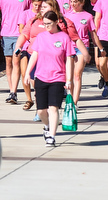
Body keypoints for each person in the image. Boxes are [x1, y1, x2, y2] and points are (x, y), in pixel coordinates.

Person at [23, 10, 75, 147]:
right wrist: (28, 73)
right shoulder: (40, 37)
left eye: (49, 24)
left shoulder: (64, 38)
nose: (46, 26)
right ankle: (46, 126)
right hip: (41, 76)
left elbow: (69, 59)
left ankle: (52, 136)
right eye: (44, 24)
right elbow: (34, 55)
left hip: (58, 77)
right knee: (41, 110)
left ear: (56, 22)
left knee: (53, 108)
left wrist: (69, 80)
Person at [64, 0, 103, 106]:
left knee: (77, 74)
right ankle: (69, 99)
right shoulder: (66, 16)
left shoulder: (88, 16)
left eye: (75, 2)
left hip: (82, 47)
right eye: (71, 1)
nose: (72, 4)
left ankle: (74, 102)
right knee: (69, 76)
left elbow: (93, 34)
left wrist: (99, 48)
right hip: (69, 47)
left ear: (81, 2)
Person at [14, 0, 46, 111]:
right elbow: (22, 31)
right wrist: (20, 45)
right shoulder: (27, 15)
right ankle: (29, 98)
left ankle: (40, 98)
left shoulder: (46, 15)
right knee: (25, 73)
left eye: (40, 5)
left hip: (40, 50)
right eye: (35, 5)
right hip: (26, 46)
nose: (37, 7)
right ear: (32, 3)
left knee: (37, 76)